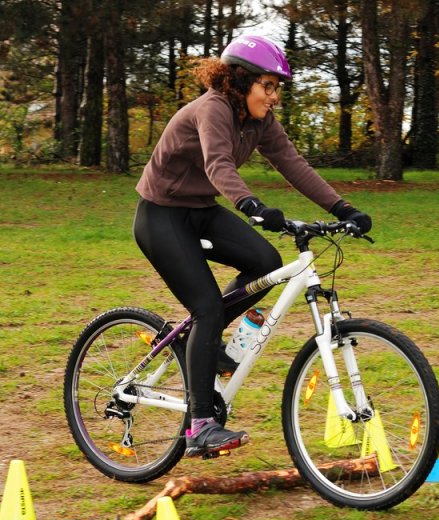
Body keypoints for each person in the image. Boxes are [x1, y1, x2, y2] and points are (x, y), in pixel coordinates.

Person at [132, 35, 372, 457]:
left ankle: (198, 343)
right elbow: (217, 163)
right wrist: (251, 205)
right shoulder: (213, 109)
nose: (274, 96)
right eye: (268, 86)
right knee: (206, 307)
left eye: (277, 87)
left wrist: (342, 208)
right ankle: (200, 426)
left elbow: (292, 162)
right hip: (162, 216)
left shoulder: (259, 120)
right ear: (241, 81)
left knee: (264, 261)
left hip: (200, 209)